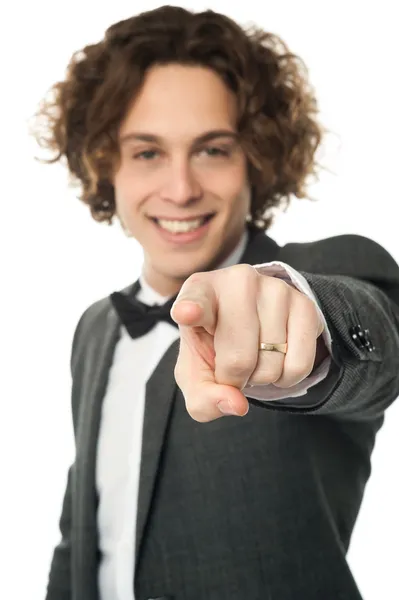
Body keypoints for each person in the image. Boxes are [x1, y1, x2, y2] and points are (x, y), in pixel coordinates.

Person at [33, 6, 399, 600]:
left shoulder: (327, 272)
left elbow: (378, 352)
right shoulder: (95, 328)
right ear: (107, 167)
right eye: (147, 152)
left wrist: (296, 307)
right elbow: (81, 535)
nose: (180, 189)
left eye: (213, 150)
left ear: (258, 157)